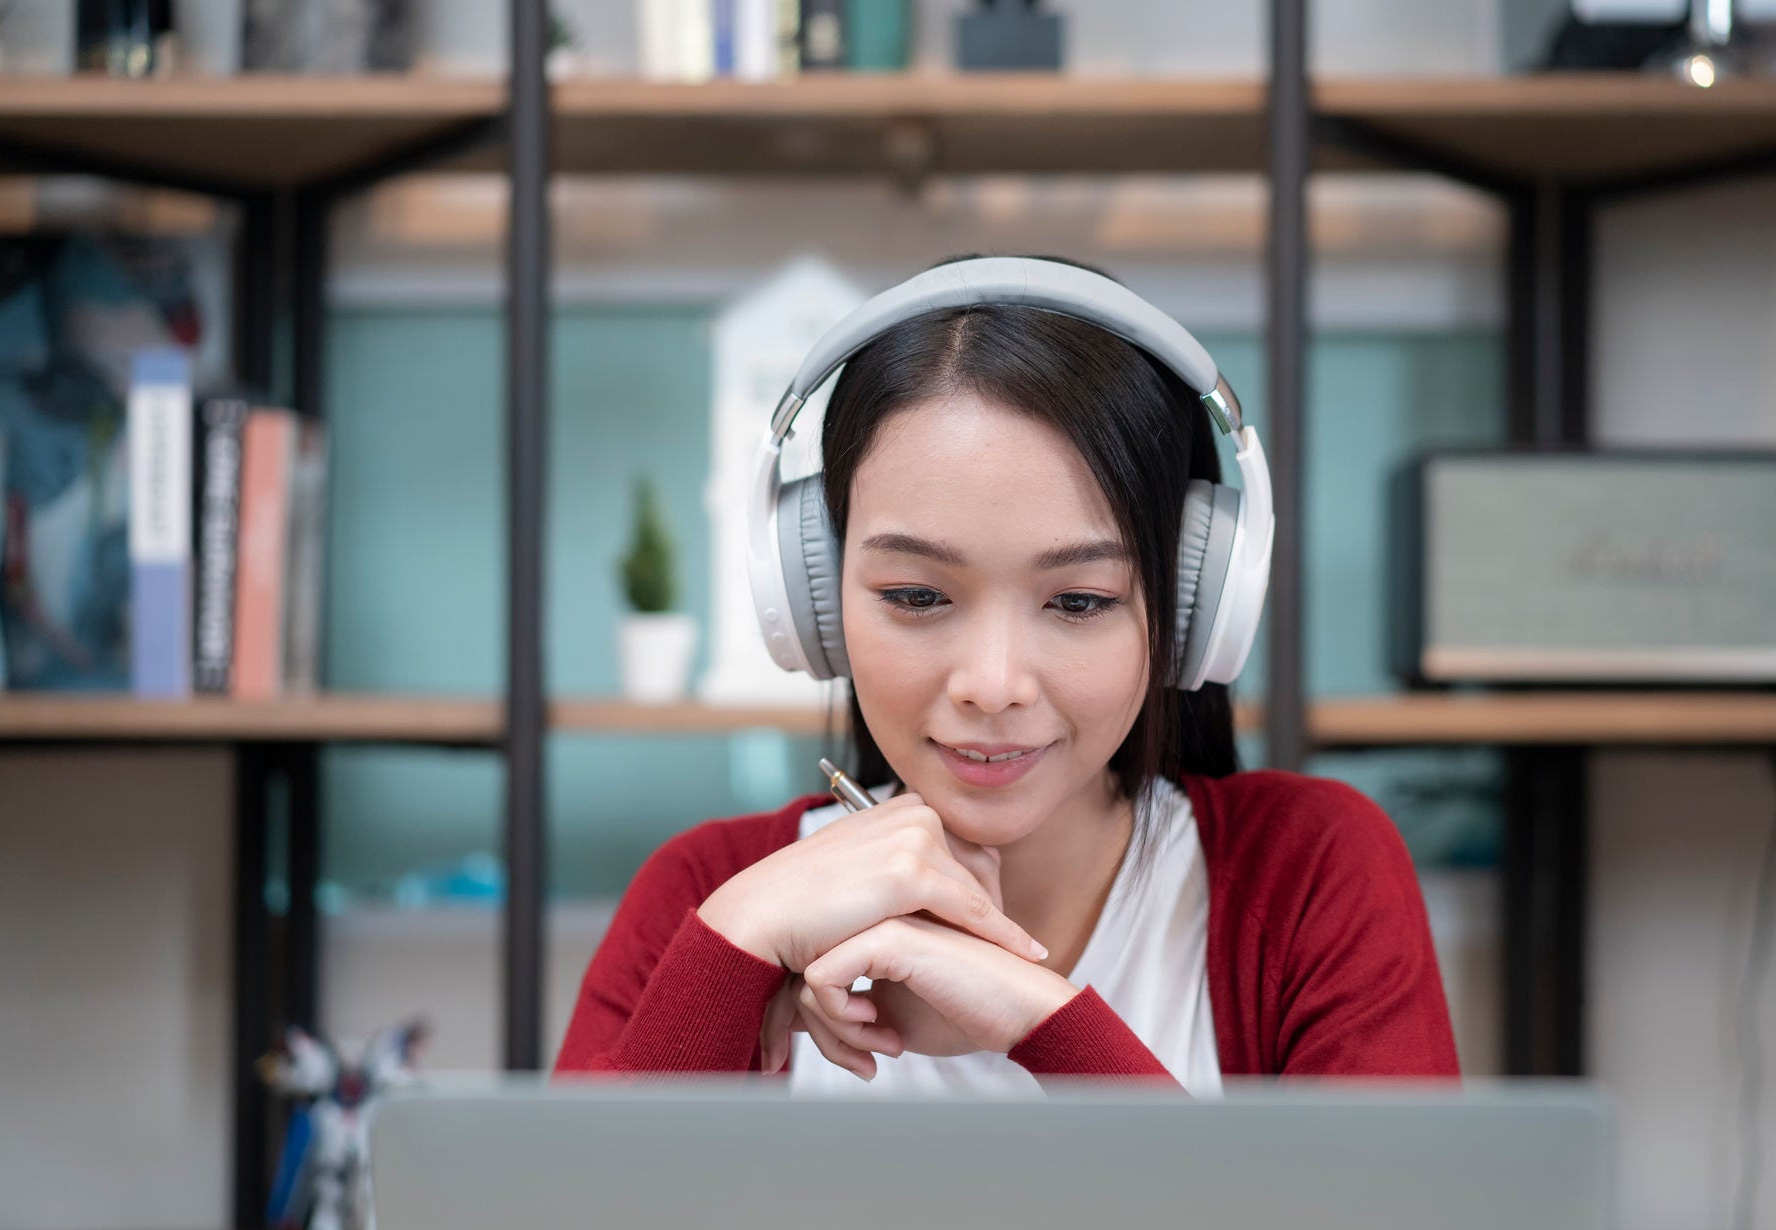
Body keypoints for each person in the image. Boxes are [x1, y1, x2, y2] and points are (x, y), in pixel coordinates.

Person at [553, 254, 1459, 1094]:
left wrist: (1038, 1017)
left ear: (1188, 609)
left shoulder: (1306, 875)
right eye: (915, 594)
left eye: (1077, 602)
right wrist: (733, 952)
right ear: (819, 597)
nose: (992, 685)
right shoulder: (713, 894)